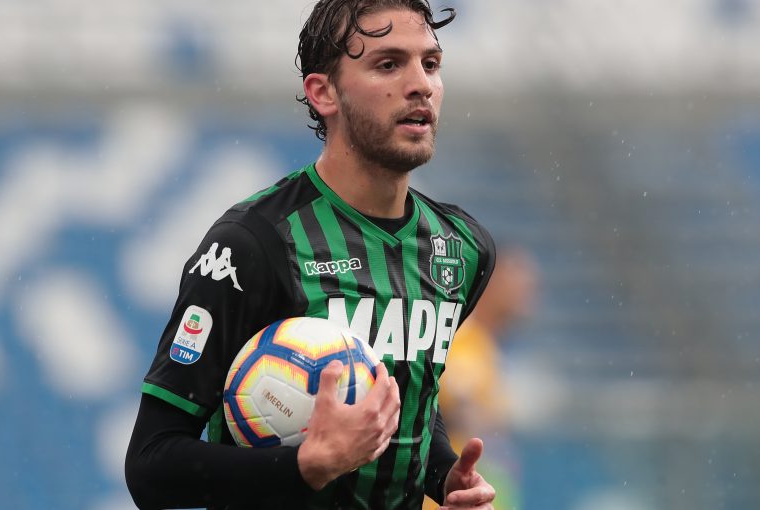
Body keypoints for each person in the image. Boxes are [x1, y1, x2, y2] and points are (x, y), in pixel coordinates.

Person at [125, 1, 497, 508]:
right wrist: (304, 468)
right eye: (389, 64)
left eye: (430, 64)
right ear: (324, 93)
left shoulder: (463, 248)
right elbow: (152, 464)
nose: (421, 85)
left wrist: (444, 475)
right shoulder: (250, 246)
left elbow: (413, 392)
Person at [424, 247, 539, 510]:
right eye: (518, 281)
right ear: (492, 281)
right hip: (446, 494)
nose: (528, 292)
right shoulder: (462, 337)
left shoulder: (487, 344)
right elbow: (453, 411)